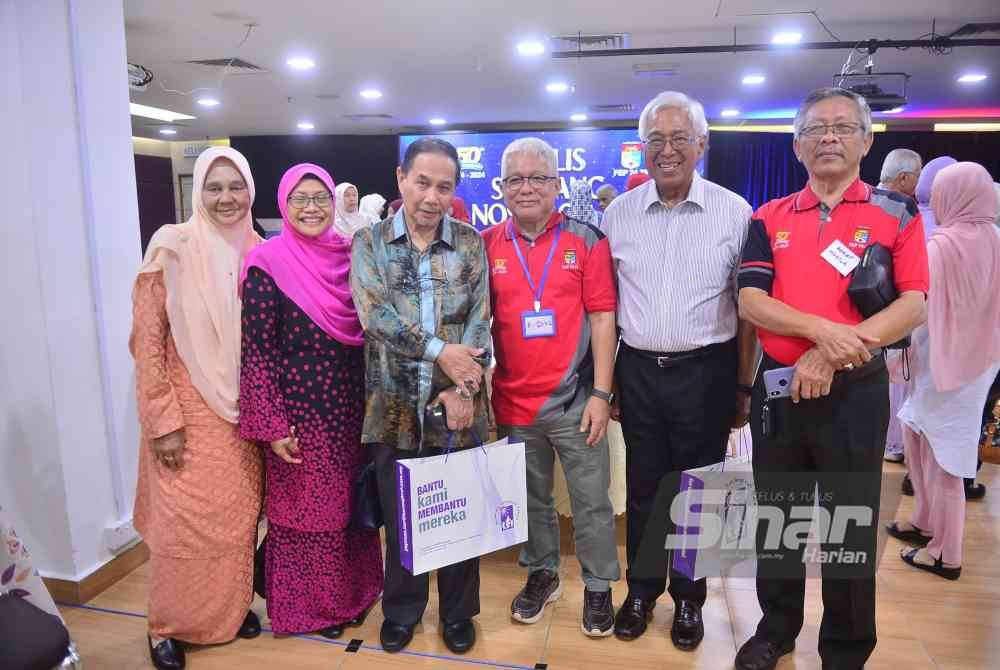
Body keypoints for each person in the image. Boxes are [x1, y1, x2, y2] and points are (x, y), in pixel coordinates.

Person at [735, 87, 928, 670]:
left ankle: (845, 646)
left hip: (856, 390)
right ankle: (777, 628)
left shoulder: (897, 213)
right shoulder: (767, 217)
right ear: (796, 145)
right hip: (779, 392)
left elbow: (913, 303)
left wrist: (831, 354)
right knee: (780, 518)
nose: (829, 138)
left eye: (844, 128)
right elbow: (751, 300)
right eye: (816, 129)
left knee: (849, 523)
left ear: (867, 141)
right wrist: (824, 333)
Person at [601, 91, 758, 651]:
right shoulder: (617, 215)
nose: (667, 151)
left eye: (679, 139)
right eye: (656, 140)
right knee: (643, 487)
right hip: (639, 371)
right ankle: (641, 591)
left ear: (702, 144)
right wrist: (612, 380)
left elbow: (748, 314)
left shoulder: (735, 213)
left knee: (700, 491)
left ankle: (690, 599)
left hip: (706, 371)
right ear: (641, 148)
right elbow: (608, 309)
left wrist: (742, 386)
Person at [350, 138, 492, 655]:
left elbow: (481, 319)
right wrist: (441, 353)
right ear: (401, 179)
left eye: (444, 187)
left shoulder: (471, 243)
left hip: (459, 406)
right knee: (404, 518)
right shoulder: (368, 244)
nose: (432, 197)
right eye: (423, 183)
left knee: (459, 515)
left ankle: (458, 613)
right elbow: (376, 317)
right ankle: (403, 610)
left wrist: (464, 385)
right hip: (393, 407)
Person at [130, 146, 264, 670]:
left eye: (236, 188)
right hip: (185, 413)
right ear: (197, 192)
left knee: (236, 525)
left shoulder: (260, 249)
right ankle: (167, 626)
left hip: (243, 416)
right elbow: (147, 341)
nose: (226, 198)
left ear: (251, 192)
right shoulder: (172, 246)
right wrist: (163, 420)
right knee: (183, 527)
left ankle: (228, 613)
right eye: (215, 187)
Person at [238, 164, 384, 638]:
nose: (311, 208)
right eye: (300, 198)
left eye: (320, 197)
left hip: (354, 409)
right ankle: (310, 610)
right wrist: (273, 424)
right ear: (283, 204)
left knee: (352, 509)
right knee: (308, 516)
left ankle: (353, 597)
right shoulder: (268, 261)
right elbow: (257, 350)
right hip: (300, 416)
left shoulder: (352, 255)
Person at [483, 138, 620, 637]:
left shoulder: (586, 239)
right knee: (530, 498)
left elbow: (604, 319)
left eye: (537, 177)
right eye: (515, 179)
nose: (526, 188)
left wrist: (602, 395)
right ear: (501, 188)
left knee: (591, 501)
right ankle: (543, 573)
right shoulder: (486, 244)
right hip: (513, 402)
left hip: (576, 401)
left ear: (557, 185)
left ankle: (600, 586)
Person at [887, 162, 1000, 581]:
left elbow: (914, 308)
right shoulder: (996, 239)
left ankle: (945, 553)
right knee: (917, 431)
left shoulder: (940, 246)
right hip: (981, 361)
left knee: (946, 457)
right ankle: (924, 522)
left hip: (941, 362)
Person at [876, 148, 923, 464]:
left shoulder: (865, 200)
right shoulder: (902, 211)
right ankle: (893, 444)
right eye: (918, 176)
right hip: (889, 317)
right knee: (896, 384)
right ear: (904, 177)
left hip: (864, 320)